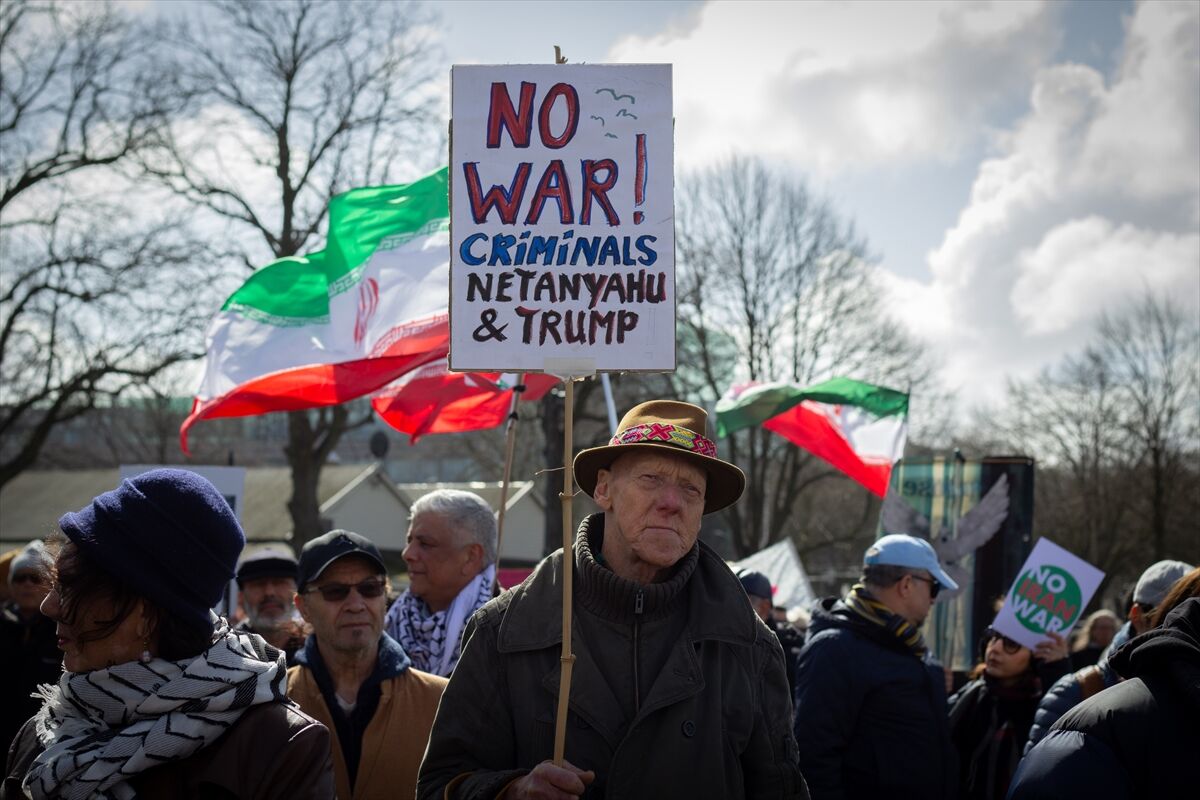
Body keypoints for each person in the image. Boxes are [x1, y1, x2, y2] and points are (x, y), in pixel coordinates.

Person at [417, 400, 806, 800]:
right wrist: (510, 791)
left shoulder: (748, 646)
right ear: (604, 489)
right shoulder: (506, 631)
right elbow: (437, 786)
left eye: (691, 488)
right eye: (651, 478)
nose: (672, 502)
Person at [1, 469, 334, 800]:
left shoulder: (281, 748)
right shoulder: (42, 733)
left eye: (73, 587)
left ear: (146, 613)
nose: (49, 605)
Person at [792, 533, 958, 800]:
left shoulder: (906, 645)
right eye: (934, 587)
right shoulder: (836, 649)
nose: (933, 599)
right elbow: (814, 758)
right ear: (906, 585)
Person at [288, 529, 448, 800]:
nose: (356, 604)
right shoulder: (275, 701)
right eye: (335, 591)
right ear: (303, 607)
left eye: (369, 589)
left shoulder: (441, 700)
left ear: (384, 596)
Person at [1008, 593, 1200, 800]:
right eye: (1100, 627)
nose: (1105, 632)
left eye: (1109, 627)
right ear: (1136, 616)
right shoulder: (1090, 728)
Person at [1023, 558, 1193, 752]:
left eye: (1195, 615)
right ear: (1137, 616)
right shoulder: (1074, 692)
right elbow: (1040, 778)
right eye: (1172, 618)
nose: (1185, 629)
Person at [945, 627, 1071, 799]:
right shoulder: (971, 696)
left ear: (1037, 655)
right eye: (993, 637)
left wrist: (1058, 674)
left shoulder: (1048, 706)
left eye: (1011, 644)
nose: (994, 648)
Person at [383, 489, 498, 677]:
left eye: (425, 544)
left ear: (470, 557)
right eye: (409, 541)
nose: (407, 554)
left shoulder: (505, 633)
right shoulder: (384, 618)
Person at [0, 541, 60, 752]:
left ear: (50, 585)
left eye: (35, 578)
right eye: (19, 578)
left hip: (45, 737)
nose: (27, 584)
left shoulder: (63, 630)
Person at [738, 569, 805, 695]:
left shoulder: (788, 644)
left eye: (740, 601)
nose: (732, 609)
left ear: (764, 607)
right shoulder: (725, 641)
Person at [236, 545, 306, 663]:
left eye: (279, 583)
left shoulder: (318, 650)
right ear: (241, 599)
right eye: (258, 584)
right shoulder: (227, 650)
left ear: (297, 594)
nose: (269, 592)